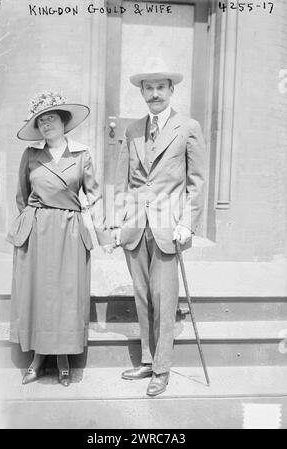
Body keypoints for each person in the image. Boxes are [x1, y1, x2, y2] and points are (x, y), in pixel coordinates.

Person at [112, 59, 205, 396]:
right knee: (141, 296)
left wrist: (188, 224)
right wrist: (117, 222)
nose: (154, 94)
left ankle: (162, 369)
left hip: (169, 226)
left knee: (164, 299)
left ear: (171, 91)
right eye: (148, 89)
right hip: (136, 224)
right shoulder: (133, 129)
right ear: (141, 92)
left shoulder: (188, 127)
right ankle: (148, 361)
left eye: (160, 88)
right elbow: (121, 179)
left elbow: (196, 182)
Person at [7, 91, 110, 386]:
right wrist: (33, 222)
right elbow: (21, 197)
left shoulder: (82, 154)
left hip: (70, 230)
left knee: (67, 294)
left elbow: (95, 195)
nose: (46, 124)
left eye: (52, 118)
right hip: (37, 231)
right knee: (37, 292)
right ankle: (37, 358)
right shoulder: (31, 155)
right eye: (41, 120)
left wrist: (101, 233)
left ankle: (64, 359)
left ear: (64, 121)